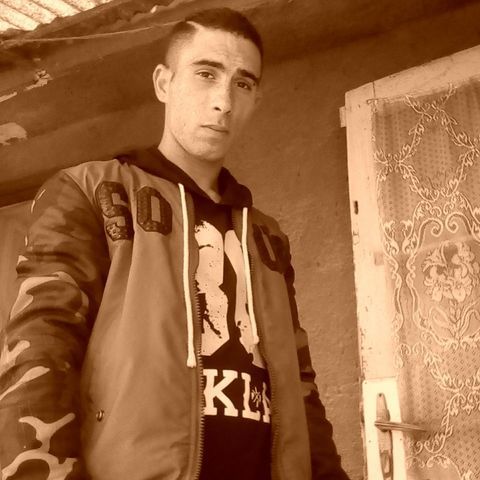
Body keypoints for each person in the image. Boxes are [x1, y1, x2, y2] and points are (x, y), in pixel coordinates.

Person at [0, 7, 350, 480]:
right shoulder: (93, 192)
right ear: (163, 82)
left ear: (255, 99)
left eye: (243, 84)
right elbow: (41, 353)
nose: (223, 101)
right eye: (206, 74)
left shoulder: (266, 237)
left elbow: (301, 389)